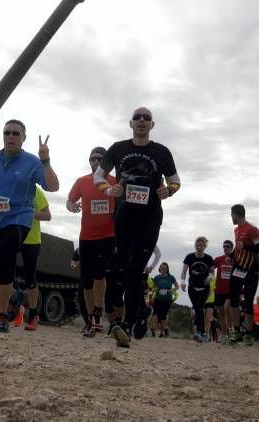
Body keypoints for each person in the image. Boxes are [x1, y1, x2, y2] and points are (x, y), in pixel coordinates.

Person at [94, 107, 181, 348]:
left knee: (134, 268)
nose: (141, 121)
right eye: (137, 118)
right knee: (126, 270)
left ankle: (128, 325)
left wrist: (168, 191)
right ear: (130, 123)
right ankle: (142, 311)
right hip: (123, 217)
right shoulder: (118, 148)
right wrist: (109, 190)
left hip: (150, 218)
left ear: (152, 125)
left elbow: (175, 181)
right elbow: (99, 177)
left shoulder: (161, 152)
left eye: (146, 118)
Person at [0, 120, 59, 333]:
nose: (10, 136)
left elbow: (54, 186)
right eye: (7, 132)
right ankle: (14, 300)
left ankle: (2, 315)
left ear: (23, 138)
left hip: (19, 218)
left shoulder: (32, 162)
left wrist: (45, 161)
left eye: (15, 133)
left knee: (4, 256)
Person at [66, 146, 115, 337]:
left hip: (108, 235)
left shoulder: (114, 181)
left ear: (105, 162)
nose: (96, 162)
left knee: (99, 273)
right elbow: (70, 201)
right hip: (86, 236)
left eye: (99, 159)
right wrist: (72, 207)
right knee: (86, 278)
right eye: (93, 159)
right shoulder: (82, 181)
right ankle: (90, 319)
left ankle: (97, 311)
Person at [229, 204, 259, 342]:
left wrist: (245, 246)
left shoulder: (252, 229)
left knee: (248, 301)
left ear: (236, 214)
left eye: (231, 214)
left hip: (251, 269)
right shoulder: (236, 230)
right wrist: (231, 255)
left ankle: (249, 334)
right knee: (233, 299)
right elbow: (238, 249)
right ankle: (236, 331)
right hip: (238, 267)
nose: (231, 217)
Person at [20, 186, 51, 330]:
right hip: (12, 235)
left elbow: (47, 215)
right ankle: (4, 310)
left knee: (30, 279)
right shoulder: (12, 187)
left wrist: (28, 212)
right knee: (4, 274)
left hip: (31, 241)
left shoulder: (37, 192)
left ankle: (33, 315)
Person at [180, 236, 214, 343]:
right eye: (197, 245)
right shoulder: (190, 257)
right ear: (195, 246)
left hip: (204, 288)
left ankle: (201, 332)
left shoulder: (208, 258)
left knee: (199, 308)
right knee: (197, 308)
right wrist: (182, 282)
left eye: (201, 246)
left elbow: (213, 272)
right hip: (192, 287)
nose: (199, 247)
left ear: (205, 247)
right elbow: (184, 271)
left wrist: (210, 277)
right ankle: (201, 332)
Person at [214, 240, 236, 344]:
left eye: (227, 246)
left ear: (232, 248)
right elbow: (210, 268)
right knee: (221, 313)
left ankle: (232, 332)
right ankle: (224, 335)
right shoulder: (218, 259)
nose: (225, 248)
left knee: (227, 309)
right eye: (224, 246)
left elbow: (240, 272)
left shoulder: (235, 260)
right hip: (219, 290)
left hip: (231, 290)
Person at [151, 262, 178, 337]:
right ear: (159, 269)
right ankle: (155, 329)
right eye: (161, 268)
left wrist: (171, 290)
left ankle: (161, 332)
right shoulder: (156, 278)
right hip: (157, 298)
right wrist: (155, 289)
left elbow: (177, 287)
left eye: (164, 268)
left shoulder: (171, 277)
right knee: (156, 315)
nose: (163, 269)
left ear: (167, 269)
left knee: (163, 315)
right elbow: (153, 288)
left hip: (167, 299)